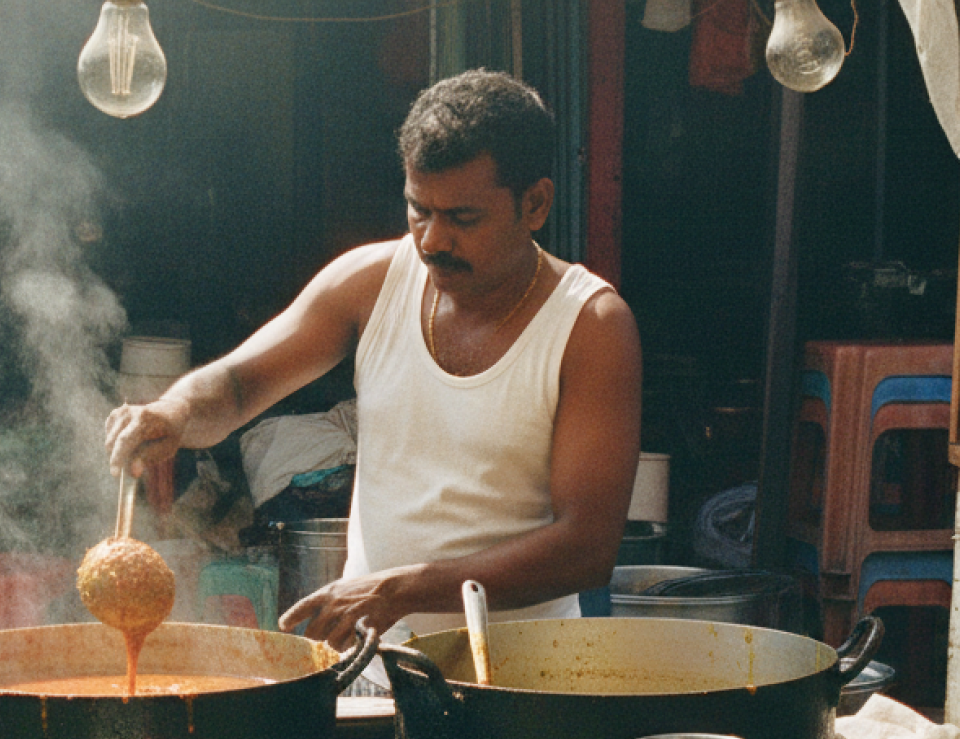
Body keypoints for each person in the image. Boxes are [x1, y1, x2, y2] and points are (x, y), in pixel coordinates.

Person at [105, 70, 640, 651]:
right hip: (376, 669)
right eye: (418, 210)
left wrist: (400, 591)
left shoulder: (590, 326)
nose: (432, 240)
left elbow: (586, 549)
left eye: (462, 218)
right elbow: (237, 386)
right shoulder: (369, 282)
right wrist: (173, 412)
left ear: (534, 204)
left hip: (528, 682)